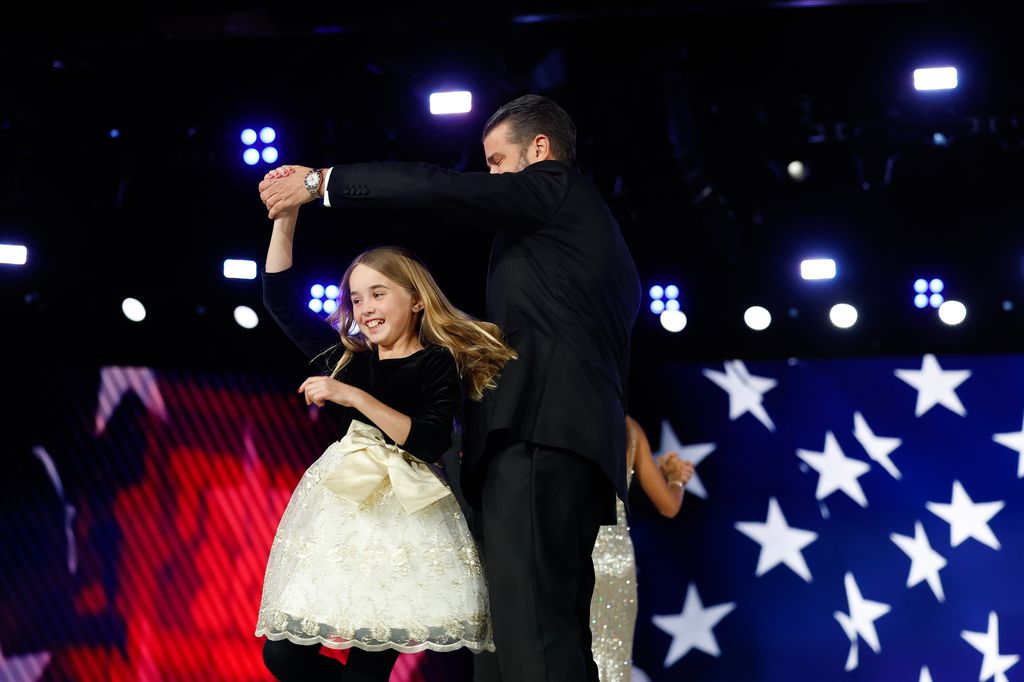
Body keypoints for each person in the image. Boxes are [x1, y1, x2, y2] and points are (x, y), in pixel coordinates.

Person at [259, 94, 641, 682]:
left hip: (541, 438)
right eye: (356, 297)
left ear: (540, 151)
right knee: (528, 634)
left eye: (496, 160)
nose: (488, 177)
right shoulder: (588, 241)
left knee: (533, 636)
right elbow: (282, 303)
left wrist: (320, 183)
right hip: (567, 445)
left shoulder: (556, 189)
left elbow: (438, 188)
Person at [254, 203, 516, 682]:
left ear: (416, 299)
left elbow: (428, 438)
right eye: (356, 299)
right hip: (342, 524)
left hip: (404, 527)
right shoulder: (346, 358)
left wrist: (352, 395)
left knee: (366, 673)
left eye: (378, 293)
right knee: (283, 655)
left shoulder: (436, 363)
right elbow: (279, 299)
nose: (366, 309)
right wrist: (285, 218)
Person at [589, 416, 694, 682]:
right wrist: (676, 479)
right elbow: (670, 505)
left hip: (572, 554)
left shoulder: (562, 412)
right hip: (617, 562)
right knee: (612, 661)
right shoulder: (630, 428)